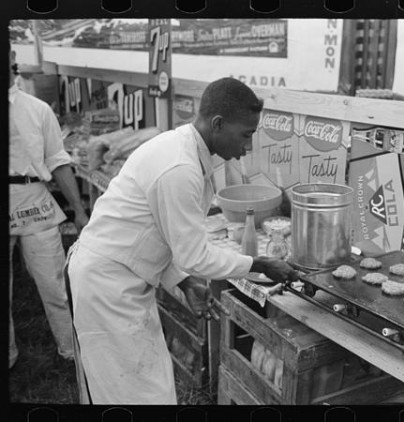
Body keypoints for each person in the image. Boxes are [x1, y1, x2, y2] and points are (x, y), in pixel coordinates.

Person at [66, 77, 299, 404]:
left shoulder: (186, 151)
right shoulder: (179, 165)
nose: (247, 146)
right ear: (217, 123)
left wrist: (186, 282)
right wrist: (258, 263)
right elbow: (194, 254)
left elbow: (167, 235)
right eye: (246, 134)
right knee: (131, 393)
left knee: (148, 387)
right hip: (105, 286)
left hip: (123, 279)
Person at [9, 46, 89, 369]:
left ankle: (71, 351)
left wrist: (79, 210)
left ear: (12, 62)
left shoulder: (38, 109)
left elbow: (58, 161)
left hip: (34, 200)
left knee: (54, 282)